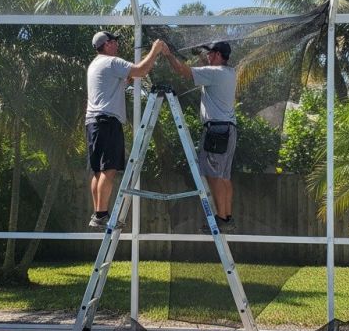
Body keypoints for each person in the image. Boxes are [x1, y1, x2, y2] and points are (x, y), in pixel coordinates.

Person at [85, 31, 164, 228]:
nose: (117, 45)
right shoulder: (112, 62)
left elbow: (120, 82)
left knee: (97, 171)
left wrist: (129, 77)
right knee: (108, 169)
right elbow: (141, 70)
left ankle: (97, 214)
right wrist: (155, 50)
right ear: (106, 44)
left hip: (94, 123)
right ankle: (102, 215)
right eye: (114, 42)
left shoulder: (95, 64)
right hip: (107, 122)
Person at [164, 40, 237, 232]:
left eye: (211, 53)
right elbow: (207, 69)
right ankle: (227, 217)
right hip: (228, 129)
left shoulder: (214, 73)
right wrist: (201, 57)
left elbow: (183, 71)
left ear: (219, 55)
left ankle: (221, 218)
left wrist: (168, 54)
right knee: (224, 176)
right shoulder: (229, 72)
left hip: (216, 130)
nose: (208, 56)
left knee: (213, 175)